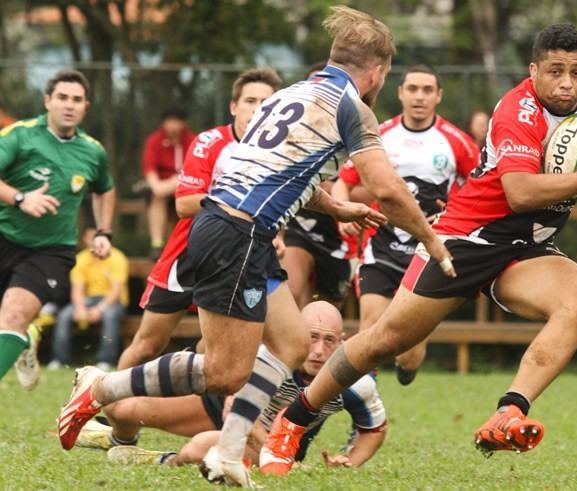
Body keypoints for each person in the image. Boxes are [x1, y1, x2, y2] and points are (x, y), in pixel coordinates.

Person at [58, 6, 453, 488]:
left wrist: (339, 209)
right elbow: (387, 188)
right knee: (225, 372)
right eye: (386, 77)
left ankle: (227, 454)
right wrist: (433, 240)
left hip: (237, 229)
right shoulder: (354, 107)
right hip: (236, 234)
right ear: (377, 71)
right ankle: (100, 386)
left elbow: (283, 173)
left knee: (290, 344)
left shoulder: (295, 92)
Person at [258, 22, 577, 477]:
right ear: (533, 71)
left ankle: (510, 411)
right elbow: (521, 193)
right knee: (386, 341)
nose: (566, 83)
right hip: (466, 238)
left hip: (525, 248)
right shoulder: (517, 111)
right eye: (554, 71)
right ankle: (292, 421)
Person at [76, 301, 386, 470]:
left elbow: (374, 429)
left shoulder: (353, 382)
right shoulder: (272, 358)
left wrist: (351, 462)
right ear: (296, 335)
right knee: (118, 406)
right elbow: (232, 411)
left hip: (262, 443)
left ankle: (159, 460)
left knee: (200, 448)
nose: (318, 350)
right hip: (231, 412)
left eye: (329, 341)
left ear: (341, 343)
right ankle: (119, 440)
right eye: (311, 337)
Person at [118, 68, 284, 370]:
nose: (258, 108)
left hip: (238, 258)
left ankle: (195, 408)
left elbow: (277, 205)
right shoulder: (210, 142)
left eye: (266, 103)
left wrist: (278, 237)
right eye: (250, 100)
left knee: (215, 350)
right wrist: (240, 203)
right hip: (188, 253)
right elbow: (184, 203)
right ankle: (101, 407)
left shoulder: (279, 154)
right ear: (234, 106)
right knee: (147, 345)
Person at [334, 64, 479, 385]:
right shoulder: (378, 135)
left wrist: (455, 212)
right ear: (400, 93)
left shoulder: (457, 142)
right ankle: (364, 417)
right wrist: (342, 210)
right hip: (381, 247)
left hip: (427, 252)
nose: (419, 96)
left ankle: (406, 368)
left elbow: (483, 188)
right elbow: (344, 181)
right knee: (368, 329)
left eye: (427, 90)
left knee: (409, 351)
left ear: (438, 96)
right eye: (412, 89)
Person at [0, 69, 115, 390]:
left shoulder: (92, 151)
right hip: (4, 236)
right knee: (12, 325)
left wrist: (104, 231)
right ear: (47, 101)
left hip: (52, 250)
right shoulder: (20, 136)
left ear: (85, 107)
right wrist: (20, 198)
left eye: (77, 99)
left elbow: (105, 188)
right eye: (62, 98)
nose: (69, 105)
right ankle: (25, 340)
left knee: (12, 316)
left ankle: (20, 332)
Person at [282, 62, 356, 309]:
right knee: (292, 291)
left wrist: (345, 192)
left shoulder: (354, 130)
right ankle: (288, 345)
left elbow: (368, 188)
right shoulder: (290, 132)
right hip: (299, 225)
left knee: (326, 313)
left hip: (338, 235)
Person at [49, 228, 129, 370]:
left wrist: (100, 309)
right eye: (92, 238)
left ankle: (105, 360)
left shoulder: (117, 257)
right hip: (88, 299)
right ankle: (59, 360)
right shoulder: (80, 258)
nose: (96, 242)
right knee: (64, 314)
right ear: (85, 240)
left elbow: (116, 291)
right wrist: (80, 308)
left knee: (110, 315)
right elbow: (77, 290)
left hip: (113, 302)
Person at [142, 106, 196, 259]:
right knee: (156, 196)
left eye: (177, 122)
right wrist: (169, 184)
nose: (173, 126)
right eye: (170, 122)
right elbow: (150, 173)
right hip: (163, 188)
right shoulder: (154, 141)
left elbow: (197, 171)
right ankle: (156, 244)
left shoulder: (193, 140)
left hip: (188, 186)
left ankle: (190, 244)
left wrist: (179, 182)